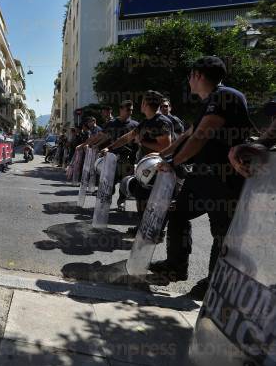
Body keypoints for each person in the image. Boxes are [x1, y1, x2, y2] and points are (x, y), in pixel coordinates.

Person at [152, 56, 255, 299]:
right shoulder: (209, 101)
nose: (188, 81)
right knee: (177, 213)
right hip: (202, 176)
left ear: (198, 75)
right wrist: (163, 155)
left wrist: (173, 162)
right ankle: (176, 266)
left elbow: (201, 135)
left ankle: (213, 284)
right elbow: (187, 135)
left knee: (221, 232)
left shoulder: (225, 96)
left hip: (224, 178)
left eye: (190, 76)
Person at [102, 91, 173, 227]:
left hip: (159, 168)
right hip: (147, 168)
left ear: (145, 104)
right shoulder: (146, 122)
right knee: (139, 193)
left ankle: (155, 230)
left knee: (152, 200)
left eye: (142, 102)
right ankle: (143, 226)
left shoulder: (160, 122)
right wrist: (110, 148)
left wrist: (142, 143)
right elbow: (128, 137)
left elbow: (165, 147)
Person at [98, 100, 140, 211]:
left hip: (129, 158)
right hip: (112, 157)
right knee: (110, 180)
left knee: (125, 181)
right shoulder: (112, 124)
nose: (130, 112)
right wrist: (96, 146)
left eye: (131, 110)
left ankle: (121, 201)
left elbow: (139, 141)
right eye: (128, 110)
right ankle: (107, 199)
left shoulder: (135, 125)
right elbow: (103, 136)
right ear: (121, 109)